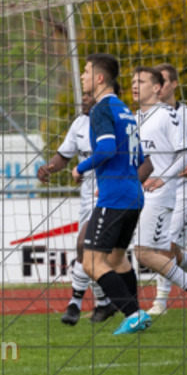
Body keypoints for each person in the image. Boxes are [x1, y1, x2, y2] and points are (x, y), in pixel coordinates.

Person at [72, 53, 149, 335]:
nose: (82, 76)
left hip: (114, 196)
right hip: (133, 194)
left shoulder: (101, 110)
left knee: (92, 261)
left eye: (86, 71)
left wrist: (80, 167)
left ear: (99, 78)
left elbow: (105, 150)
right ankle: (136, 316)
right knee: (117, 259)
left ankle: (133, 314)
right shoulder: (124, 110)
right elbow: (140, 158)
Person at [131, 67, 187, 316]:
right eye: (133, 81)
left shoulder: (174, 115)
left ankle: (167, 300)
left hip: (170, 192)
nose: (134, 85)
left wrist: (164, 178)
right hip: (142, 192)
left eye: (140, 81)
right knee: (154, 251)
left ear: (161, 86)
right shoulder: (136, 118)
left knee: (149, 252)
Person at [37, 92, 117, 325]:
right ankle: (104, 303)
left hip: (109, 194)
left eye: (89, 96)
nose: (83, 100)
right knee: (91, 253)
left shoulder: (113, 122)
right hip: (87, 198)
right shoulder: (80, 123)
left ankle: (75, 304)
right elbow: (64, 155)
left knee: (84, 245)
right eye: (82, 96)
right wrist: (48, 168)